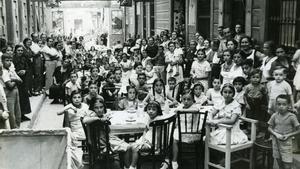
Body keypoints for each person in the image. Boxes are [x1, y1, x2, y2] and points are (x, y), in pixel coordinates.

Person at [83, 98, 130, 167]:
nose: (99, 110)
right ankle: (127, 166)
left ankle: (124, 164)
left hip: (104, 141)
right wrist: (99, 119)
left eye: (101, 107)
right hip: (104, 144)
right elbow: (84, 121)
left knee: (122, 142)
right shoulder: (93, 116)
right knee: (128, 147)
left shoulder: (97, 115)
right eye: (96, 108)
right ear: (92, 109)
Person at [161, 92, 201, 169]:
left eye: (189, 99)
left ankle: (174, 159)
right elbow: (175, 114)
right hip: (181, 130)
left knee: (174, 137)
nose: (186, 101)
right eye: (184, 99)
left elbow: (196, 110)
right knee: (168, 133)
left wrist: (181, 111)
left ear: (193, 100)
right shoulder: (181, 107)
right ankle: (167, 158)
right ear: (181, 99)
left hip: (191, 131)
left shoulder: (195, 107)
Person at [125, 101, 163, 169]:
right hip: (146, 138)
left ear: (158, 111)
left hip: (153, 142)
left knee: (135, 148)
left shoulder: (158, 120)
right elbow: (145, 130)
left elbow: (159, 135)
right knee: (129, 146)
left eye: (154, 109)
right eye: (149, 109)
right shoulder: (149, 117)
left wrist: (157, 147)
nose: (151, 111)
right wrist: (142, 140)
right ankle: (129, 166)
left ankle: (132, 166)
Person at [57, 90, 89, 169]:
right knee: (72, 145)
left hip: (85, 129)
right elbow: (59, 113)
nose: (77, 99)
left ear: (81, 98)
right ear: (71, 99)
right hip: (75, 131)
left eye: (79, 97)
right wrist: (69, 107)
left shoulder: (85, 106)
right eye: (74, 97)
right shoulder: (69, 107)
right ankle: (76, 162)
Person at [268, 94, 300, 169]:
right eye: (279, 104)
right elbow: (269, 128)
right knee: (279, 163)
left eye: (284, 104)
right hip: (276, 142)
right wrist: (275, 134)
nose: (281, 106)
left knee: (287, 165)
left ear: (288, 105)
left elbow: (299, 130)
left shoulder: (291, 117)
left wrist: (289, 135)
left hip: (286, 144)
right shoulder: (274, 115)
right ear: (276, 105)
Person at [1, 53, 22, 128]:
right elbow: (9, 86)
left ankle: (17, 127)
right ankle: (13, 128)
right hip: (9, 93)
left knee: (17, 111)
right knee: (11, 111)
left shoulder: (10, 70)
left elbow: (21, 80)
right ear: (2, 61)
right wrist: (15, 80)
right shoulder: (3, 72)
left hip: (15, 91)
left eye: (10, 60)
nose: (9, 62)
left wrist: (14, 80)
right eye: (7, 60)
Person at [13, 45, 31, 120]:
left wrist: (25, 71)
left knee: (24, 97)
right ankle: (18, 116)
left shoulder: (24, 59)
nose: (20, 52)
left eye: (21, 50)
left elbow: (28, 67)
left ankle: (23, 114)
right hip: (16, 81)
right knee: (18, 98)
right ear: (15, 51)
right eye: (18, 50)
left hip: (24, 80)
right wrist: (17, 73)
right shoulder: (13, 59)